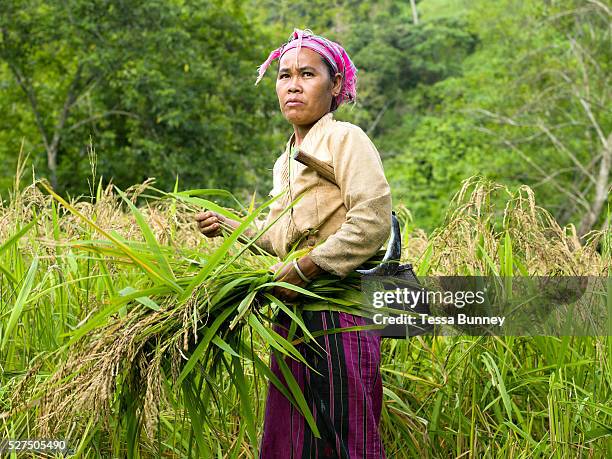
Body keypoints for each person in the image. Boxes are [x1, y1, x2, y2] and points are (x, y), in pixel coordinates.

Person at [196, 28, 391, 459]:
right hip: (294, 319)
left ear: (335, 84)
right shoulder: (285, 160)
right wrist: (231, 226)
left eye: (307, 74)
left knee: (345, 438)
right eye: (284, 76)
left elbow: (371, 222)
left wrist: (307, 268)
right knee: (292, 442)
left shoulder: (346, 139)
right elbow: (280, 238)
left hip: (341, 316)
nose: (293, 85)